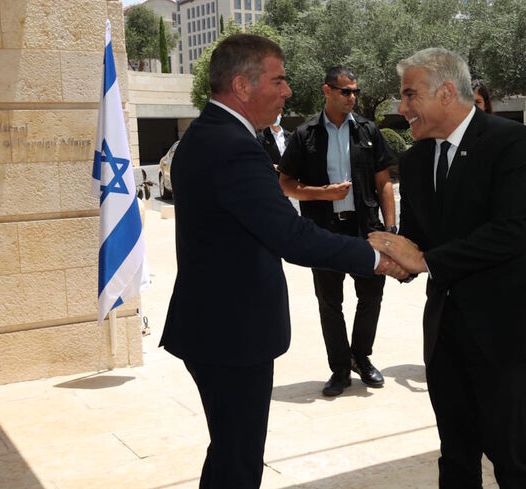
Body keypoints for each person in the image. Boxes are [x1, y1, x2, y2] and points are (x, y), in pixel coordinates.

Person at [159, 34, 402, 489]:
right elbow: (290, 236)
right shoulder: (234, 145)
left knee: (230, 451)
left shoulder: (209, 133)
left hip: (213, 327)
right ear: (243, 85)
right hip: (231, 335)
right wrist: (377, 255)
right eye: (279, 79)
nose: (288, 90)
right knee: (238, 461)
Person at [367, 48, 526, 488]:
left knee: (511, 456)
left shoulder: (514, 143)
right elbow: (421, 240)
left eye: (409, 94)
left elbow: (511, 231)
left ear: (447, 92)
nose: (401, 107)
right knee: (455, 455)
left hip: (506, 329)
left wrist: (426, 260)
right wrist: (394, 258)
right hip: (447, 329)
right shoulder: (414, 161)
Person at [279, 66, 397, 396]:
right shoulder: (305, 135)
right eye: (346, 91)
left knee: (371, 296)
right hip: (323, 234)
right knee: (330, 303)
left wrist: (391, 230)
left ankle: (361, 356)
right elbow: (286, 184)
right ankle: (340, 368)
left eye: (355, 92)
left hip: (365, 232)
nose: (352, 98)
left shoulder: (368, 131)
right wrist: (321, 193)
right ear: (327, 91)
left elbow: (384, 183)